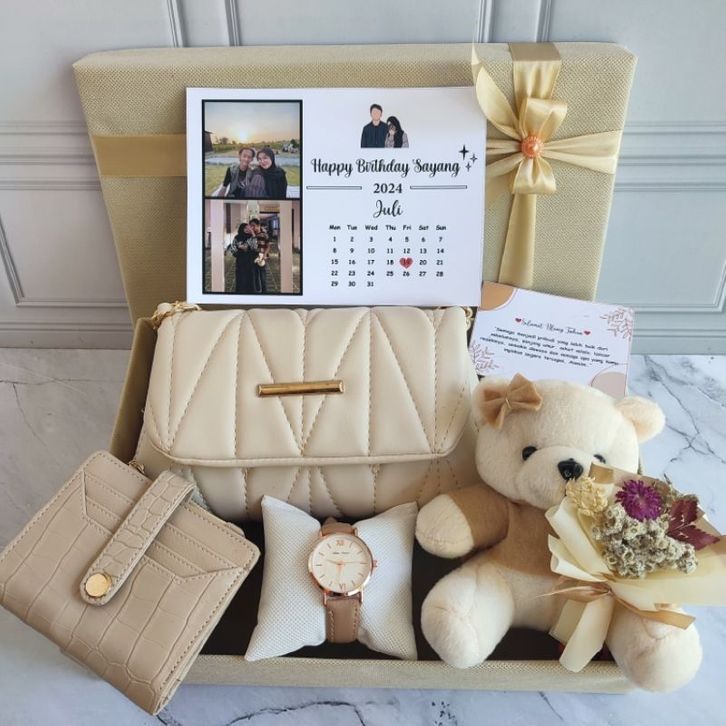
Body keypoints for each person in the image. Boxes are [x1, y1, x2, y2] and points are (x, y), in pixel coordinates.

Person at [230, 222, 258, 293]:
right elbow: (233, 248)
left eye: (248, 228)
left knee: (250, 277)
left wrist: (253, 233)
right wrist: (239, 250)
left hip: (250, 260)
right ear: (241, 228)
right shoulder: (237, 237)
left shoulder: (251, 237)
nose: (247, 229)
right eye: (245, 228)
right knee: (241, 277)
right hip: (240, 260)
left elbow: (255, 248)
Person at [249, 218, 270, 293]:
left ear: (258, 225)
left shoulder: (264, 234)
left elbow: (268, 246)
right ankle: (257, 290)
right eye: (251, 226)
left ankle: (264, 292)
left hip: (261, 257)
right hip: (253, 257)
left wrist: (265, 255)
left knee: (262, 276)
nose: (252, 228)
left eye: (253, 225)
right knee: (255, 275)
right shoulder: (251, 236)